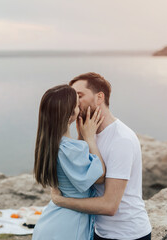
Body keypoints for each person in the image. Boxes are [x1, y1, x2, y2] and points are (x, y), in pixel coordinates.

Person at [51, 72, 152, 240]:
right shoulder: (89, 132)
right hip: (98, 231)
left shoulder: (121, 140)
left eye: (79, 96)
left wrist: (61, 201)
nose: (73, 103)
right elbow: (81, 178)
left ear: (99, 98)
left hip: (127, 235)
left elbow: (109, 205)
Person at [32, 84, 106, 240]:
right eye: (77, 105)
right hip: (68, 226)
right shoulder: (68, 149)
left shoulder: (49, 144)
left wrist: (81, 137)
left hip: (52, 221)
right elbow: (99, 176)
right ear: (71, 114)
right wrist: (90, 139)